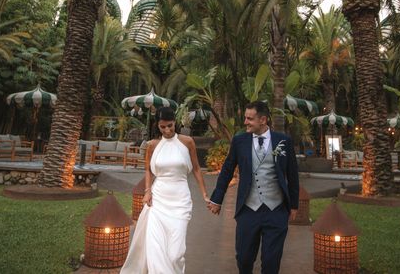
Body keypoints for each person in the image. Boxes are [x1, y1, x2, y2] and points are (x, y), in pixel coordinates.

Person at [207, 101, 300, 274]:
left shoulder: (284, 141)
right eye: (245, 118)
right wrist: (217, 199)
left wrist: (293, 205)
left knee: (272, 262)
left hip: (276, 209)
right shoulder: (239, 141)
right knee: (243, 259)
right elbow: (227, 170)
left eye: (250, 119)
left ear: (263, 120)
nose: (245, 122)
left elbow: (293, 175)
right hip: (248, 209)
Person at [121, 107, 209, 273]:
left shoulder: (187, 141)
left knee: (176, 253)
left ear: (175, 122)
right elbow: (147, 169)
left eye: (170, 125)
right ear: (158, 126)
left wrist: (204, 193)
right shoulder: (152, 145)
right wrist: (147, 191)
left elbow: (197, 169)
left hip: (180, 200)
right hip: (158, 200)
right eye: (163, 127)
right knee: (156, 249)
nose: (167, 130)